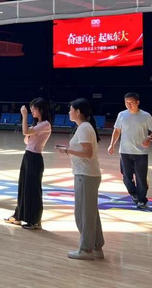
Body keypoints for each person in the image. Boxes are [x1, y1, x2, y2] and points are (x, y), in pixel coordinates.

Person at [58, 98, 105, 260]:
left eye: (71, 109)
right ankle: (97, 247)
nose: (69, 112)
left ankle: (86, 249)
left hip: (85, 175)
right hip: (87, 174)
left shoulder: (84, 128)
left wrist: (67, 151)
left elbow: (88, 152)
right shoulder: (84, 127)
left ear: (78, 112)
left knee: (83, 213)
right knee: (90, 213)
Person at [6, 98, 52, 230]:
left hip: (35, 158)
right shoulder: (37, 125)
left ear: (41, 109)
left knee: (33, 189)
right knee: (23, 187)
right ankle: (19, 215)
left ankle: (35, 220)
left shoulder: (45, 124)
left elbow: (25, 132)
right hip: (28, 156)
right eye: (31, 108)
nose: (32, 110)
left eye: (34, 108)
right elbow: (26, 140)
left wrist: (24, 116)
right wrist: (29, 129)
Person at [108, 92, 152, 209]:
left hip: (141, 152)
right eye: (126, 103)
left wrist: (149, 138)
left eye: (131, 102)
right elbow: (117, 130)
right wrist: (112, 145)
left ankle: (141, 199)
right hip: (124, 151)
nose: (129, 105)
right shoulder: (121, 115)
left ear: (137, 102)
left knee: (141, 177)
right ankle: (133, 194)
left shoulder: (145, 116)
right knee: (126, 176)